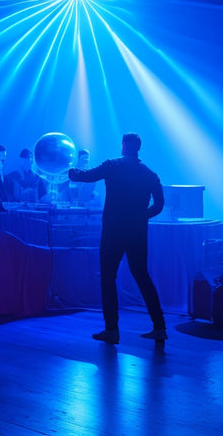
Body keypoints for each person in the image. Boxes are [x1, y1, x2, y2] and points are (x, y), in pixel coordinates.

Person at [68, 133, 166, 344]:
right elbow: (159, 205)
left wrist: (71, 172)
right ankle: (159, 327)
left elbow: (86, 176)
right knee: (142, 276)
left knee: (108, 278)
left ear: (123, 146)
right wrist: (141, 216)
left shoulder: (113, 165)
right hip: (137, 232)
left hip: (113, 230)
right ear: (138, 148)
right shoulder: (150, 174)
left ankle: (112, 330)